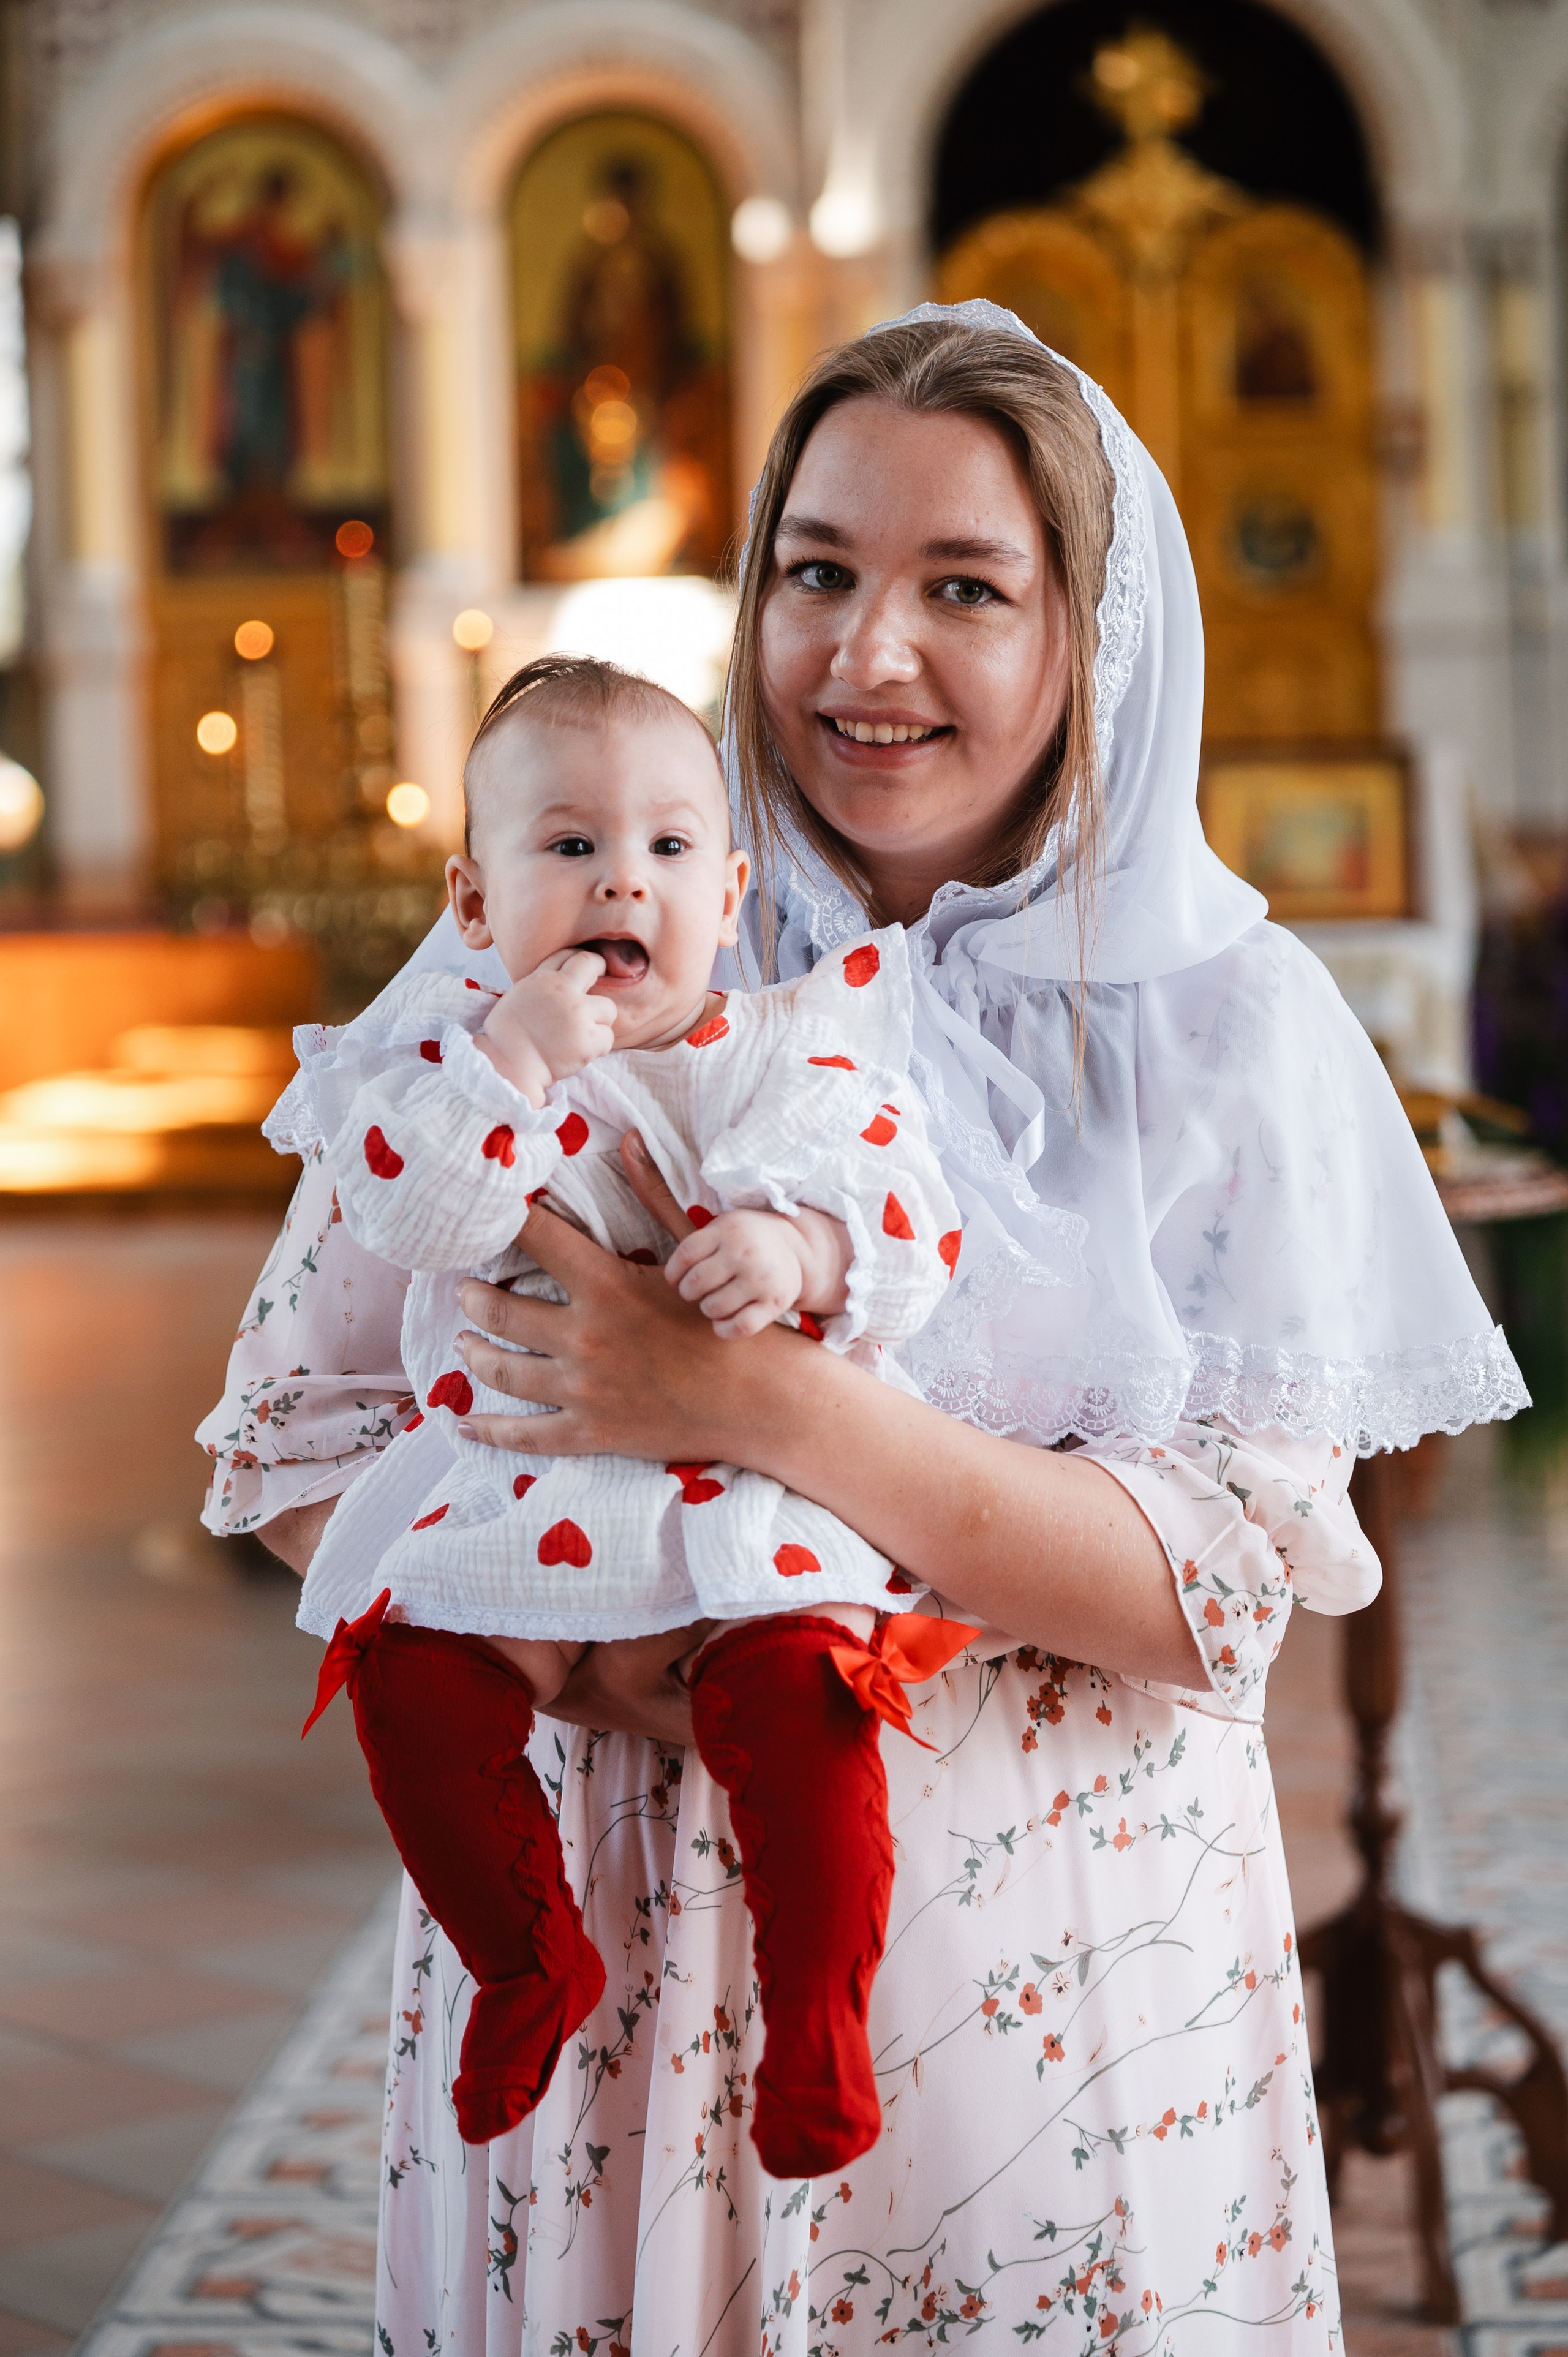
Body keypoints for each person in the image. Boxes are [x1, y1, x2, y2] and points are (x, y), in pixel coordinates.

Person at [200, 302, 1525, 2348]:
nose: (863, 654)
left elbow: (1220, 1598)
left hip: (1057, 1982)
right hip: (609, 1970)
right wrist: (629, 1649)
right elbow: (295, 1444)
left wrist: (746, 1399)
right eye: (816, 570)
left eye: (964, 589)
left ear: (1096, 632)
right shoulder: (581, 922)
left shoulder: (1231, 1026)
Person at [284, 650, 968, 2168]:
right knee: (409, 1684)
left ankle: (815, 2018)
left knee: (804, 1707)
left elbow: (909, 1222)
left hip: (732, 1502)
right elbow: (421, 1220)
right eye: (570, 845)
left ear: (727, 895)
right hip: (522, 1491)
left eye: (667, 849)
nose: (623, 886)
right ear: (474, 904)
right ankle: (530, 1957)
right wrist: (512, 1061)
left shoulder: (786, 1049)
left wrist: (802, 1247)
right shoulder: (433, 1075)